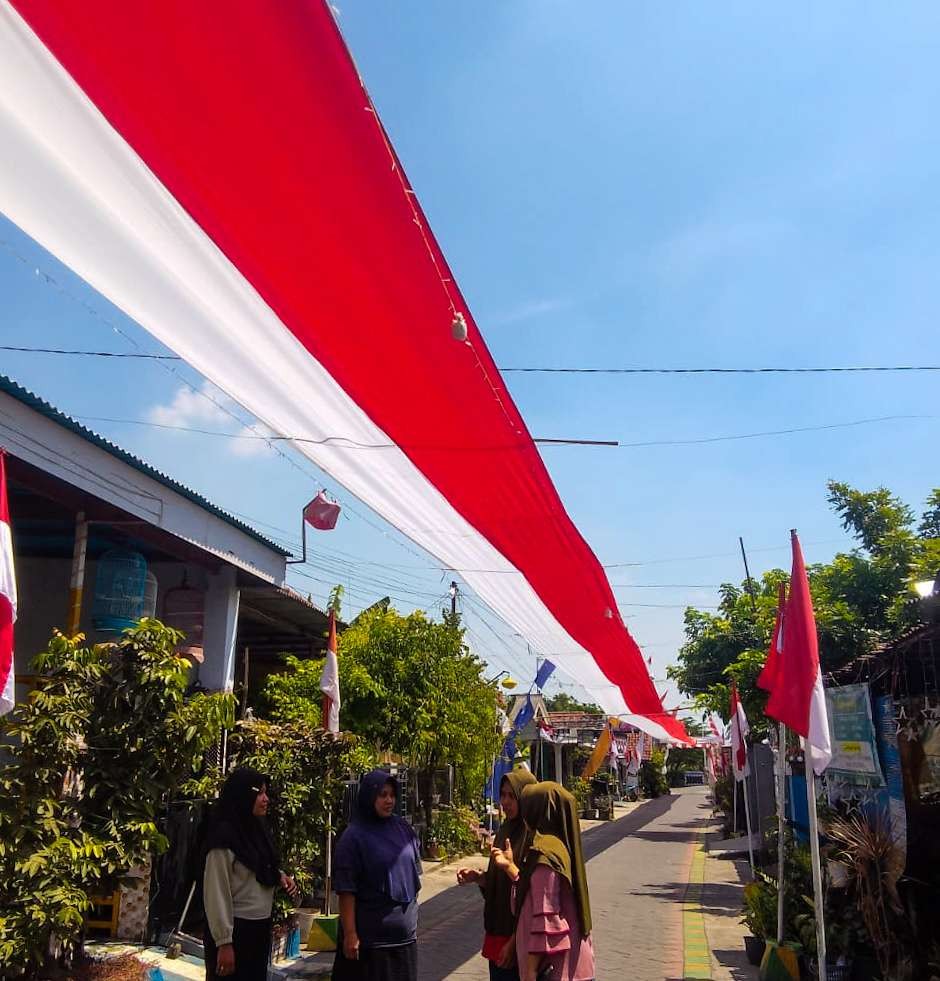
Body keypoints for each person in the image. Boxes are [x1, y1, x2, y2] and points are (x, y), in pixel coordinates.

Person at [491, 781, 595, 981]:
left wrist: (530, 971)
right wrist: (512, 869)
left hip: (554, 970)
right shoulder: (558, 845)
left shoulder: (544, 854)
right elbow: (535, 894)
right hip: (574, 966)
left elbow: (545, 921)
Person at [203, 767, 298, 980]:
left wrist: (279, 876)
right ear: (243, 796)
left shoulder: (255, 831)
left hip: (259, 929)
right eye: (259, 794)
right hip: (235, 932)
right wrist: (224, 943)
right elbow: (216, 894)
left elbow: (258, 865)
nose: (265, 799)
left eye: (265, 793)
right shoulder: (223, 839)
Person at [332, 770, 422, 981]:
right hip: (371, 945)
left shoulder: (402, 828)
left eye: (392, 794)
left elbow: (413, 874)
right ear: (369, 796)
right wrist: (350, 934)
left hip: (404, 942)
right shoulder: (353, 837)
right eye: (382, 795)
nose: (389, 800)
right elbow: (346, 890)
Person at [456, 768, 537, 980]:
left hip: (520, 938)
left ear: (526, 797)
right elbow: (500, 884)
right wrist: (480, 878)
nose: (505, 802)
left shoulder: (534, 836)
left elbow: (532, 895)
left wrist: (514, 941)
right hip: (497, 935)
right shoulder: (505, 831)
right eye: (502, 795)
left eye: (512, 796)